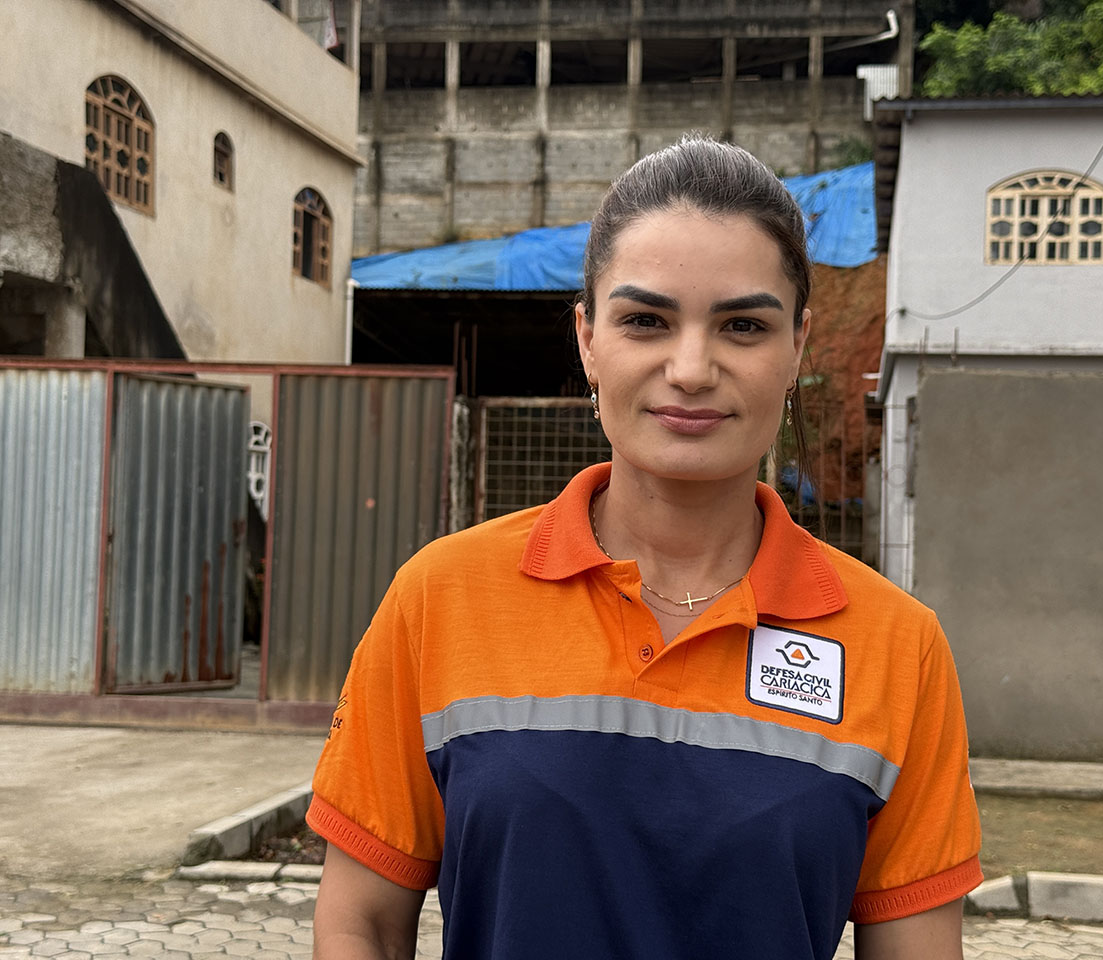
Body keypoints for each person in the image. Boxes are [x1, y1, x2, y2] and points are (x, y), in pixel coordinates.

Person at [307, 134, 983, 960]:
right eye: (645, 321)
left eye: (742, 325)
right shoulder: (440, 599)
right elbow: (362, 924)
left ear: (797, 345)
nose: (691, 368)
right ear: (588, 338)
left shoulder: (898, 647)